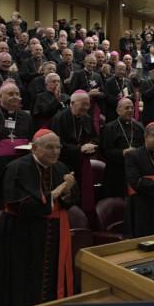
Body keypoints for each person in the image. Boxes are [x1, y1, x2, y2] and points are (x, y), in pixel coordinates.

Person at [0, 129, 77, 306]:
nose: (55, 152)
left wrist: (67, 193)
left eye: (58, 147)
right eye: (49, 147)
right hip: (23, 232)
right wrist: (54, 195)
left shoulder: (61, 167)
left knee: (51, 275)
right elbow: (17, 205)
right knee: (25, 278)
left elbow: (70, 201)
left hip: (53, 231)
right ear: (34, 148)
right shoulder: (17, 168)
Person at [51, 90, 98, 221]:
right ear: (72, 103)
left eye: (88, 104)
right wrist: (79, 148)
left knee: (84, 195)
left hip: (82, 163)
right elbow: (58, 145)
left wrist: (92, 146)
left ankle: (82, 221)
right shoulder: (59, 118)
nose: (86, 108)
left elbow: (94, 138)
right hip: (64, 163)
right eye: (83, 104)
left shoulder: (86, 118)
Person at [100, 98, 144, 198]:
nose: (130, 110)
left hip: (135, 170)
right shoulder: (109, 128)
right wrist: (122, 152)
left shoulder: (139, 127)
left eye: (132, 108)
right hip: (116, 171)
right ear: (118, 111)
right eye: (126, 108)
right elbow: (104, 152)